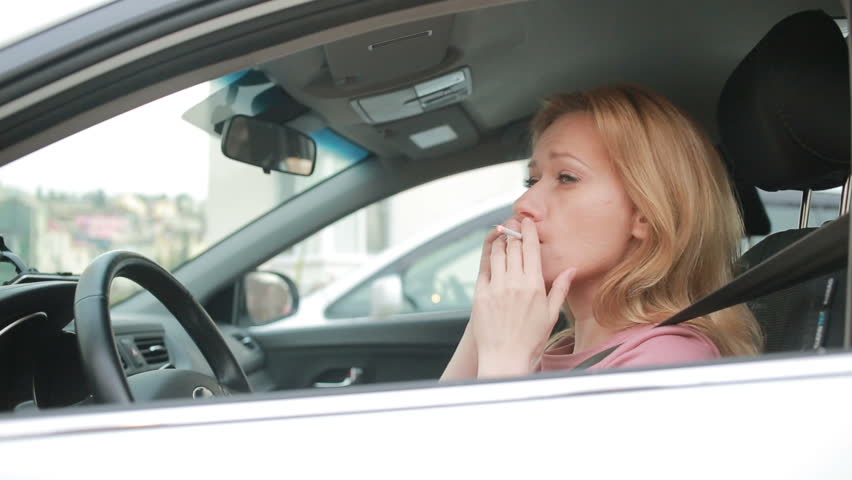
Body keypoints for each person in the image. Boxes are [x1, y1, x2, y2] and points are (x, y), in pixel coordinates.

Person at [442, 84, 763, 380]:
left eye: (566, 178)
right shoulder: (558, 351)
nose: (524, 203)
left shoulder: (667, 361)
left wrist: (505, 357)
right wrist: (485, 319)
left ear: (646, 215)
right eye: (533, 181)